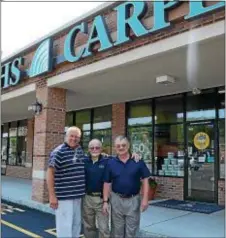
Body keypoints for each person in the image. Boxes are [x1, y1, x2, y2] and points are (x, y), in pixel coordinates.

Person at [103, 135, 151, 238]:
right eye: (118, 146)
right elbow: (107, 183)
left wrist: (145, 199)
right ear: (115, 147)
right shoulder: (110, 163)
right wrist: (105, 201)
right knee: (117, 231)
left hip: (133, 200)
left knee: (132, 231)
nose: (121, 148)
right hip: (116, 199)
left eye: (123, 145)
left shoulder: (138, 161)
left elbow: (146, 180)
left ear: (128, 146)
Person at [47, 126, 85, 238]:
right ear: (66, 136)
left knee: (76, 225)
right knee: (64, 228)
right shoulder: (58, 152)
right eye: (71, 136)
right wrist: (52, 196)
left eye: (77, 137)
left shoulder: (79, 150)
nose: (74, 139)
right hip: (64, 198)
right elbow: (50, 173)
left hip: (77, 197)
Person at [82, 139, 110, 238]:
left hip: (102, 199)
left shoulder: (108, 161)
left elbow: (122, 158)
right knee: (89, 226)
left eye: (97, 147)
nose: (94, 149)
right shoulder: (84, 161)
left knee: (104, 228)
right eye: (92, 148)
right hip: (87, 198)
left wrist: (134, 155)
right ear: (88, 149)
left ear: (101, 149)